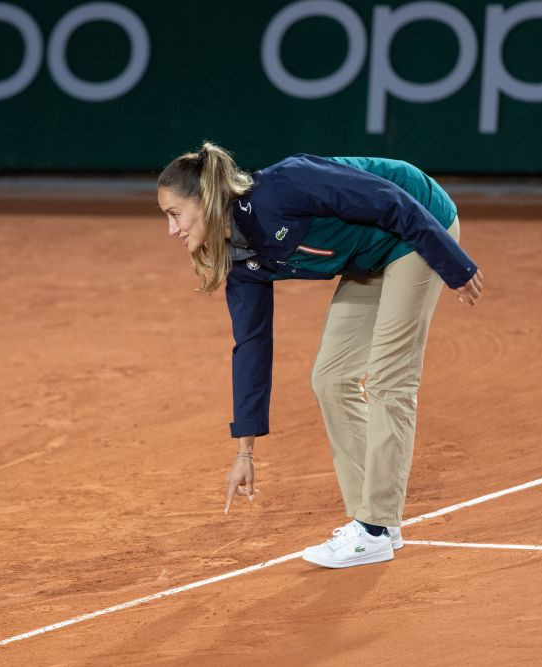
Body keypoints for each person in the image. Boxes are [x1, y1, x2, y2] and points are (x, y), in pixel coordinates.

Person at [157, 143, 483, 569]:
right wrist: (245, 452)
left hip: (418, 225)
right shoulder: (241, 257)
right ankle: (379, 521)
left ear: (209, 200)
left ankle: (374, 528)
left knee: (389, 380)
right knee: (331, 378)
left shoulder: (285, 186)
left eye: (175, 213)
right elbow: (251, 347)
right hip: (369, 257)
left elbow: (390, 200)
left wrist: (452, 261)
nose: (172, 230)